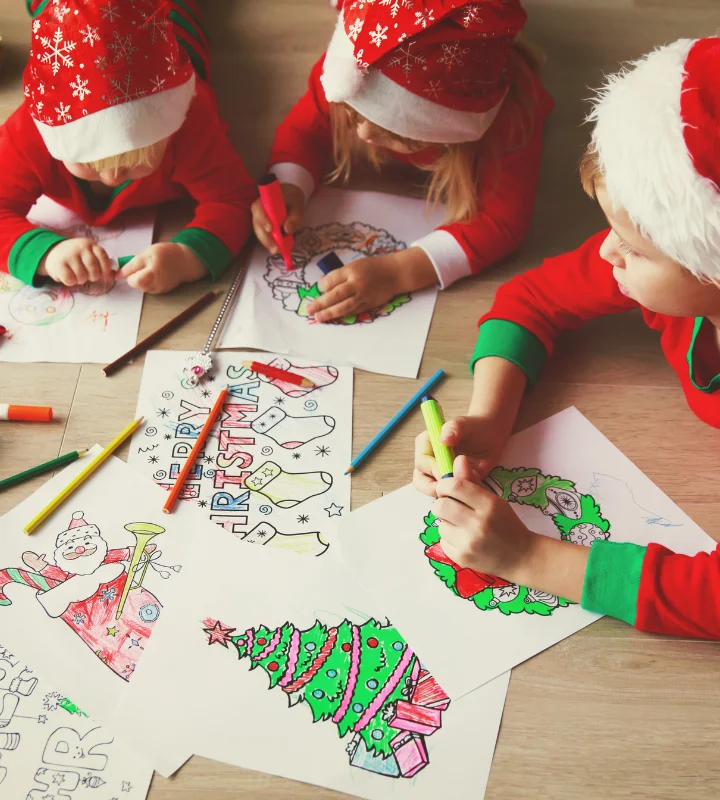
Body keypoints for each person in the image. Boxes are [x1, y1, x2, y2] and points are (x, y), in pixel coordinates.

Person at [414, 37, 720, 640]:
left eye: (634, 246)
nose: (607, 251)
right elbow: (530, 299)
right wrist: (490, 415)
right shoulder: (678, 279)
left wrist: (530, 559)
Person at [252, 0, 553, 323]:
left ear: (455, 131)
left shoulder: (509, 119)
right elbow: (303, 131)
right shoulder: (352, 67)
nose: (364, 133)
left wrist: (399, 271)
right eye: (353, 114)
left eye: (393, 129)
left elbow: (503, 223)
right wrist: (289, 184)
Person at [1, 0, 255, 294]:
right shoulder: (29, 132)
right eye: (90, 162)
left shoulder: (188, 120)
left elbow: (235, 201)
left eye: (136, 160)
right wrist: (46, 254)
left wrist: (187, 257)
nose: (111, 177)